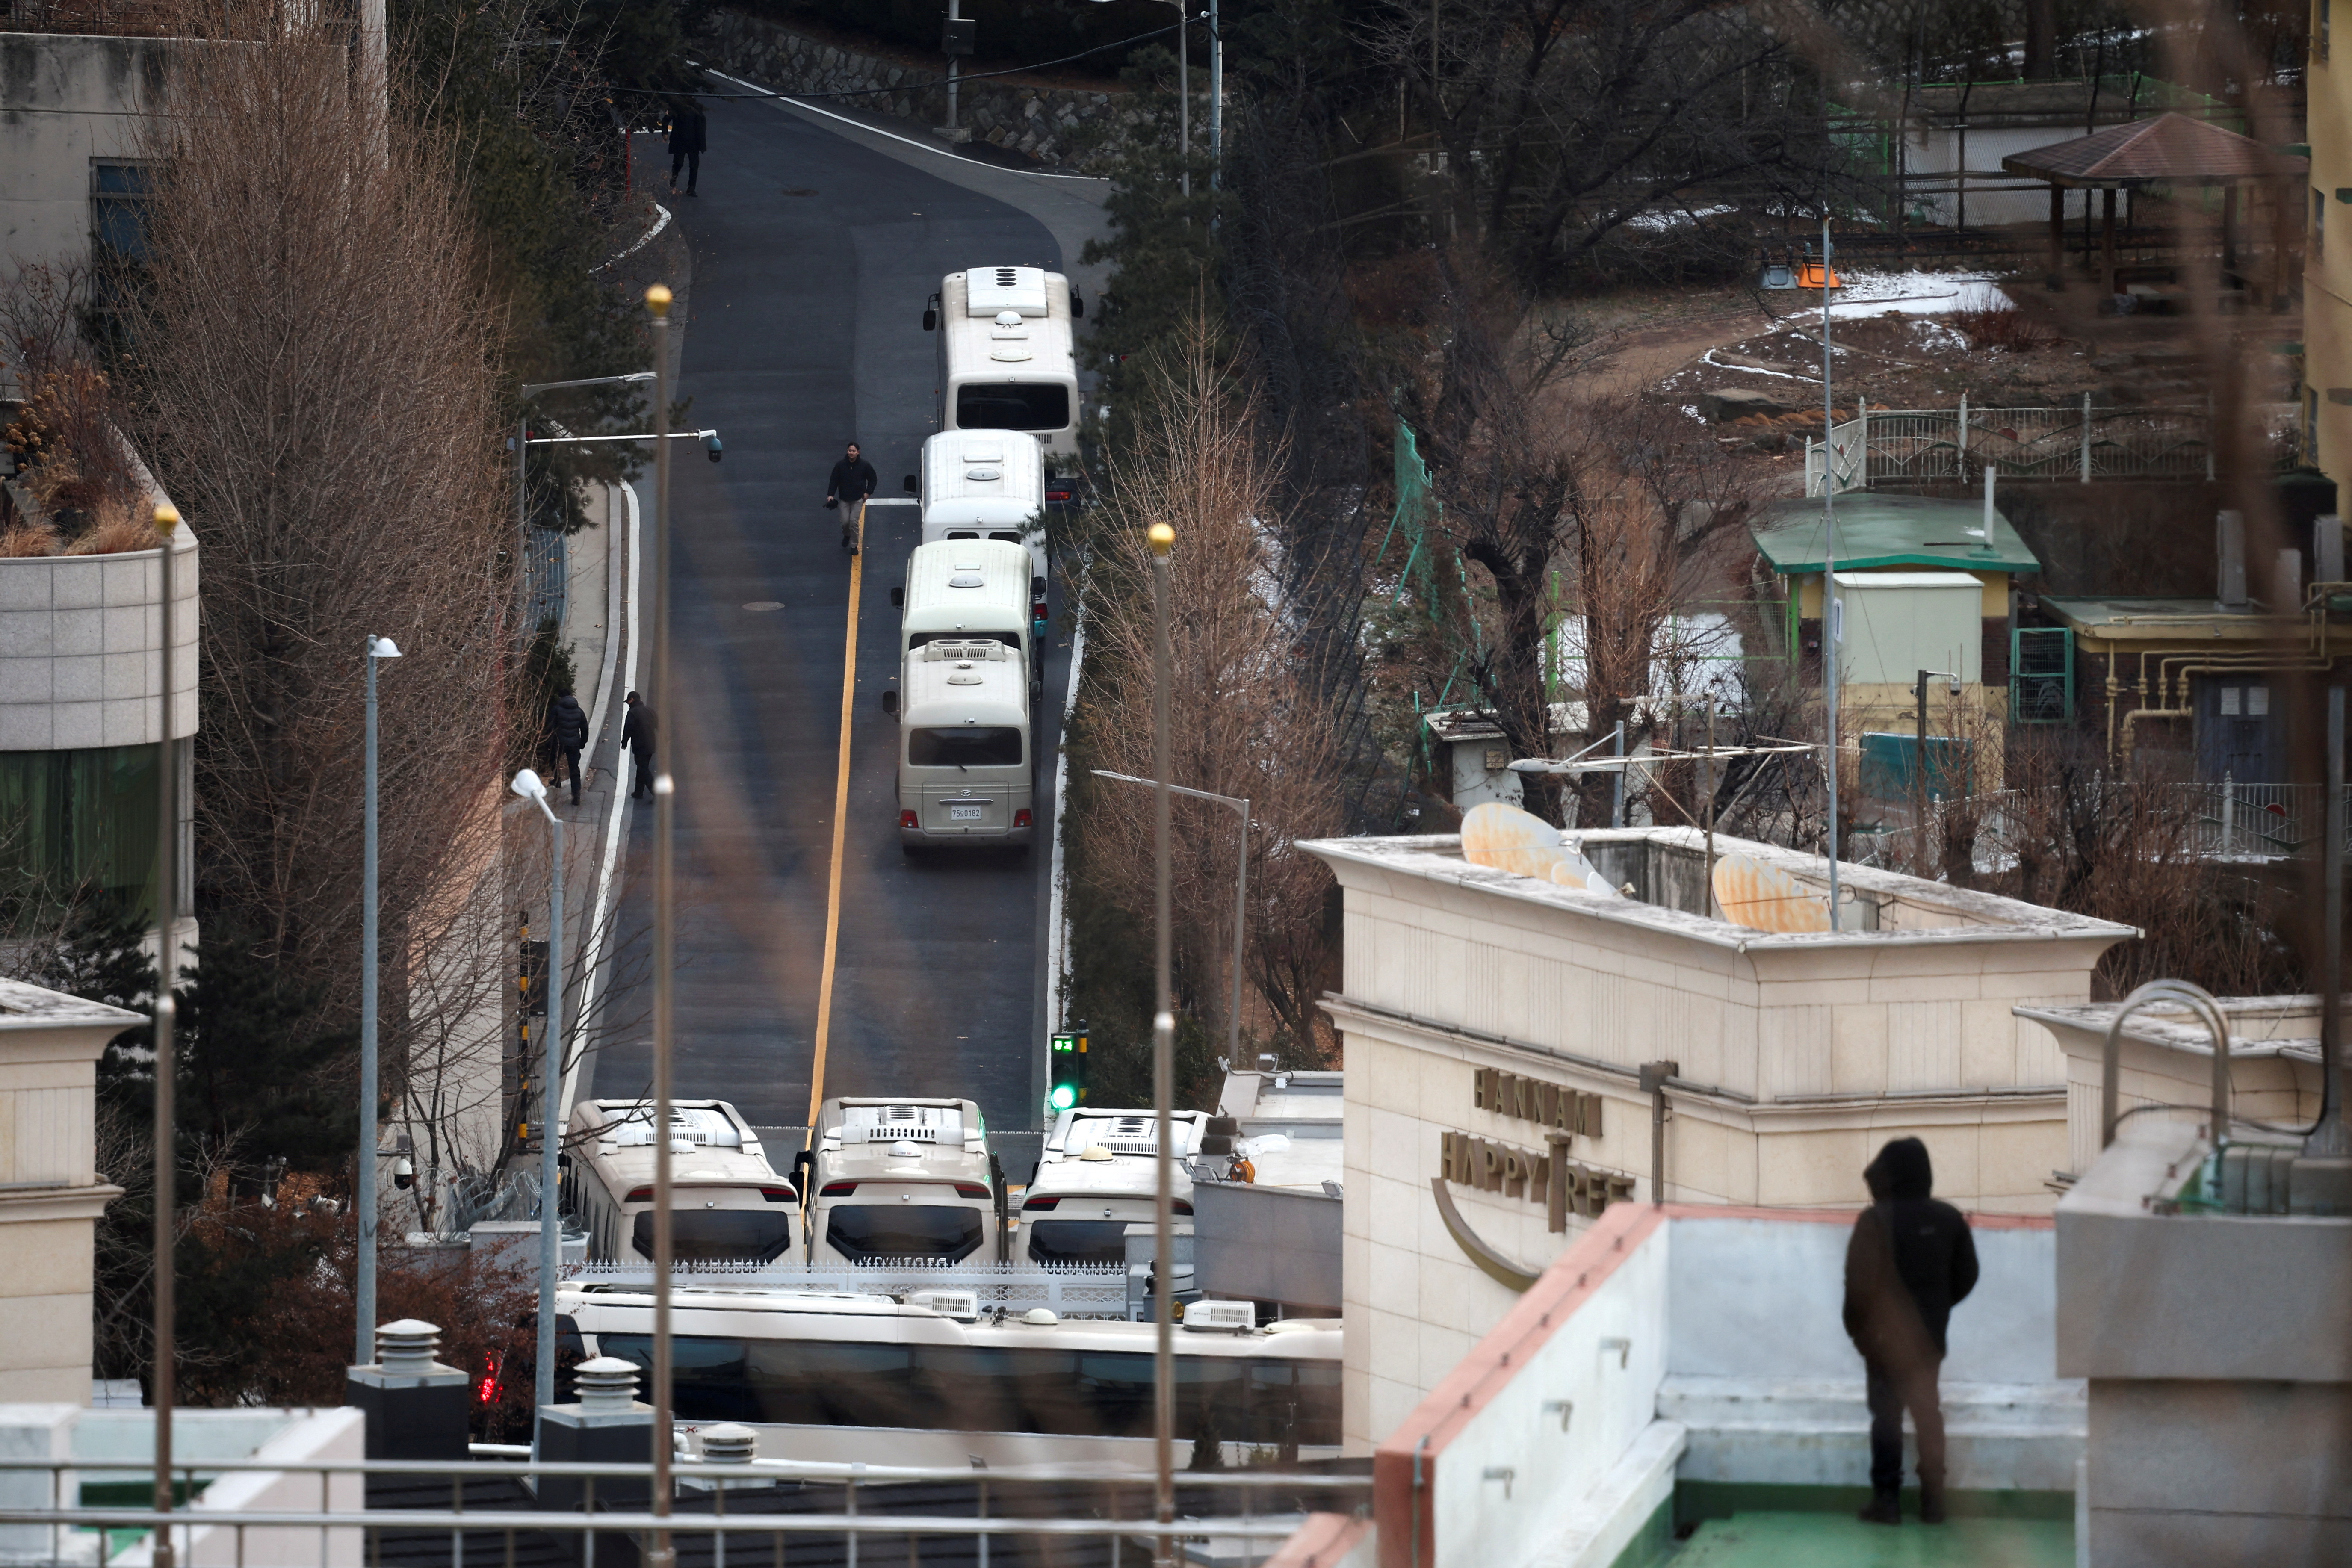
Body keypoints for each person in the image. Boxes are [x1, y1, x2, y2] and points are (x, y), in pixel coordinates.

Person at [1842, 1136, 1978, 1527]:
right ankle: (1934, 1502)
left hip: (1883, 1343)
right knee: (1928, 1415)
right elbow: (1967, 1276)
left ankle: (1887, 1501)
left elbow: (1856, 1284)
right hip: (1929, 1340)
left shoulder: (1875, 1221)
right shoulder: (1949, 1219)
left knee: (1886, 1419)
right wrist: (1937, 1309)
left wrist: (1860, 1335)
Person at [826, 441, 877, 555]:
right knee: (845, 523)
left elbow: (873, 479)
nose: (851, 453)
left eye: (854, 451)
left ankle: (854, 546)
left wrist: (868, 493)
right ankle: (847, 535)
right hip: (844, 499)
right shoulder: (840, 466)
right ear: (847, 451)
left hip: (858, 500)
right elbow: (834, 480)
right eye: (850, 451)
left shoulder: (865, 465)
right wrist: (831, 495)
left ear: (858, 452)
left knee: (853, 522)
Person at [546, 685, 588, 806]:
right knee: (574, 769)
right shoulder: (579, 711)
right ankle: (576, 794)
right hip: (574, 743)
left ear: (561, 697)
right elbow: (585, 728)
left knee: (554, 760)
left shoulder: (556, 710)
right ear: (571, 696)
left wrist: (549, 742)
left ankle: (557, 780)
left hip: (559, 743)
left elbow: (550, 727)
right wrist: (582, 743)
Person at [622, 691, 657, 802]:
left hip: (640, 746)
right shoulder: (650, 710)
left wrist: (624, 743)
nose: (628, 703)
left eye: (628, 701)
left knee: (644, 769)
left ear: (632, 699)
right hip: (651, 744)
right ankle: (638, 792)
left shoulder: (633, 713)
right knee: (642, 767)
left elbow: (628, 729)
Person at [666, 102, 706, 198]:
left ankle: (691, 188)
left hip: (693, 142)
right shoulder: (678, 108)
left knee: (694, 166)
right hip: (681, 141)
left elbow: (702, 126)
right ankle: (673, 179)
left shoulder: (697, 109)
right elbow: (667, 119)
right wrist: (665, 131)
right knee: (679, 163)